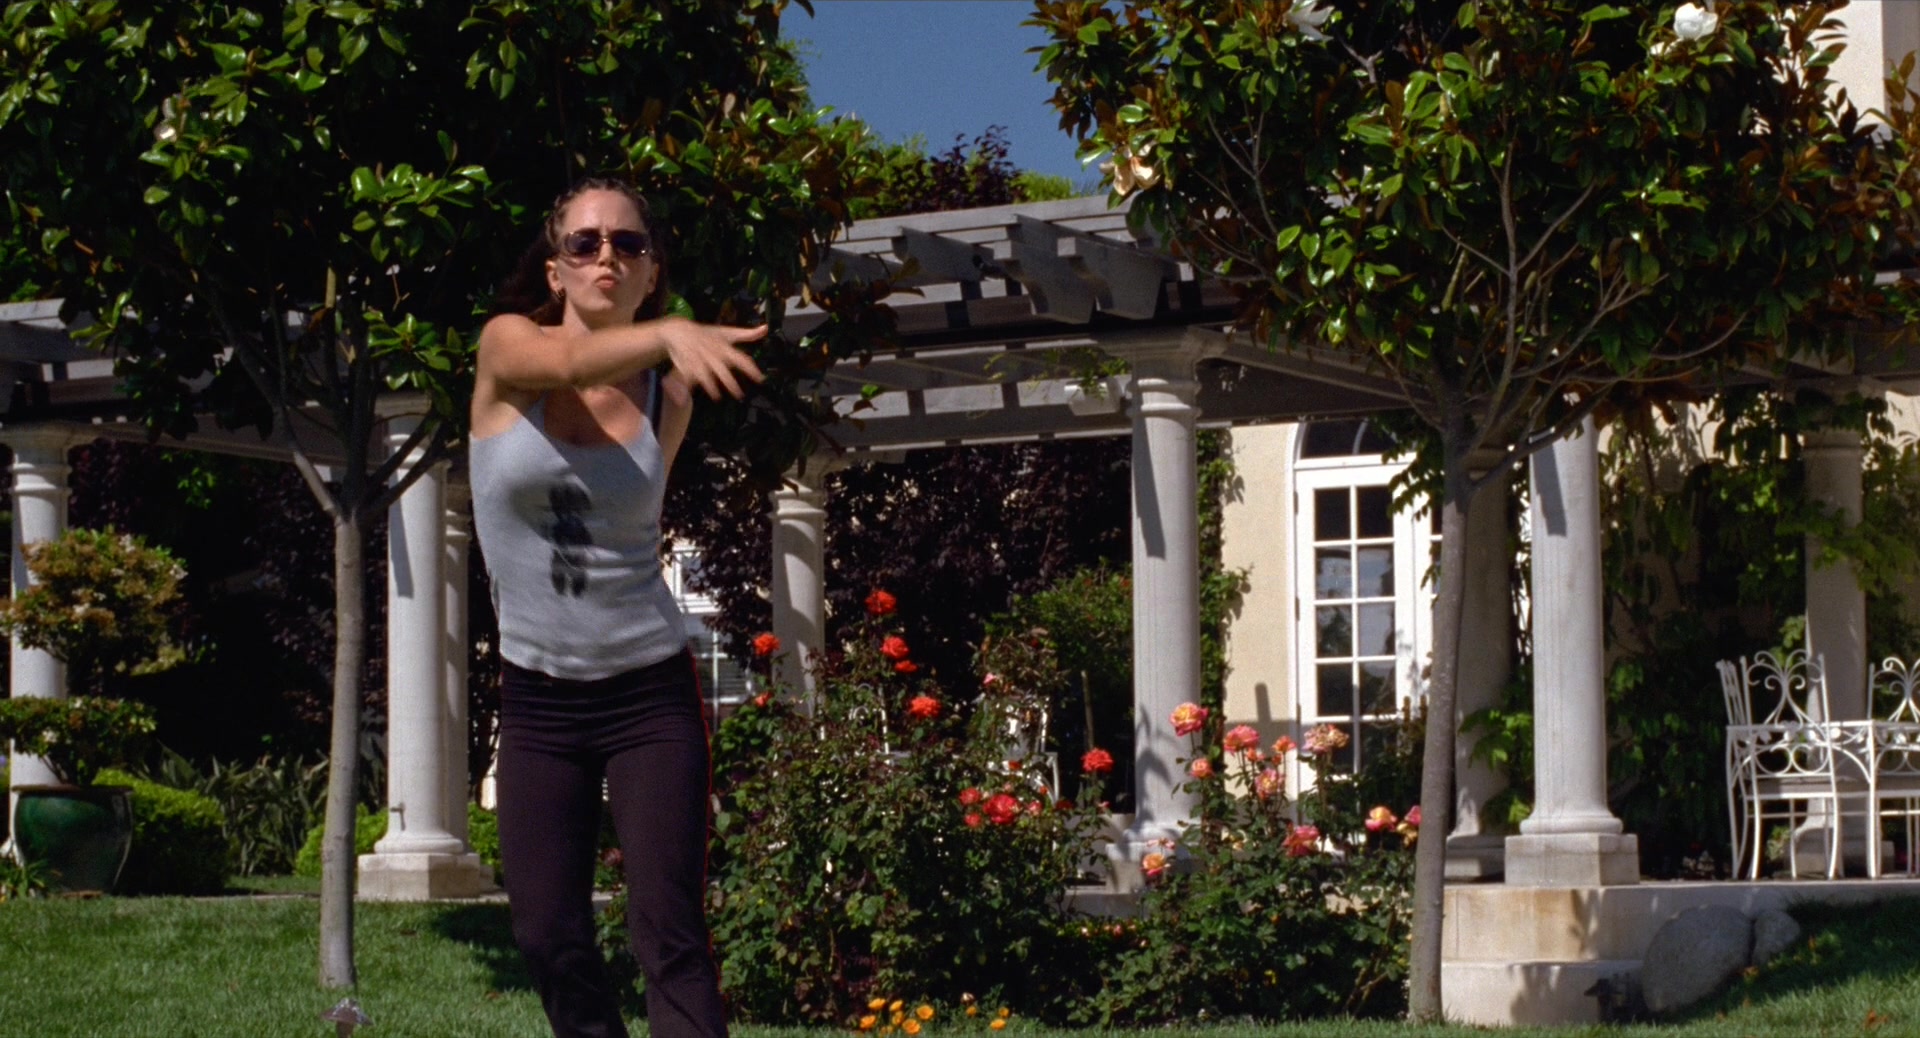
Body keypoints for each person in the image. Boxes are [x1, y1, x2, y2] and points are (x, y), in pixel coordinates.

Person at [469, 176, 765, 1038]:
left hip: (648, 693)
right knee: (548, 935)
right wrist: (668, 332)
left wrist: (664, 346)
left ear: (650, 271)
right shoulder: (507, 348)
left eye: (629, 244)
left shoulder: (668, 395)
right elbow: (567, 365)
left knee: (669, 931)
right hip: (539, 699)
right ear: (555, 269)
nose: (608, 256)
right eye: (586, 242)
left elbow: (637, 524)